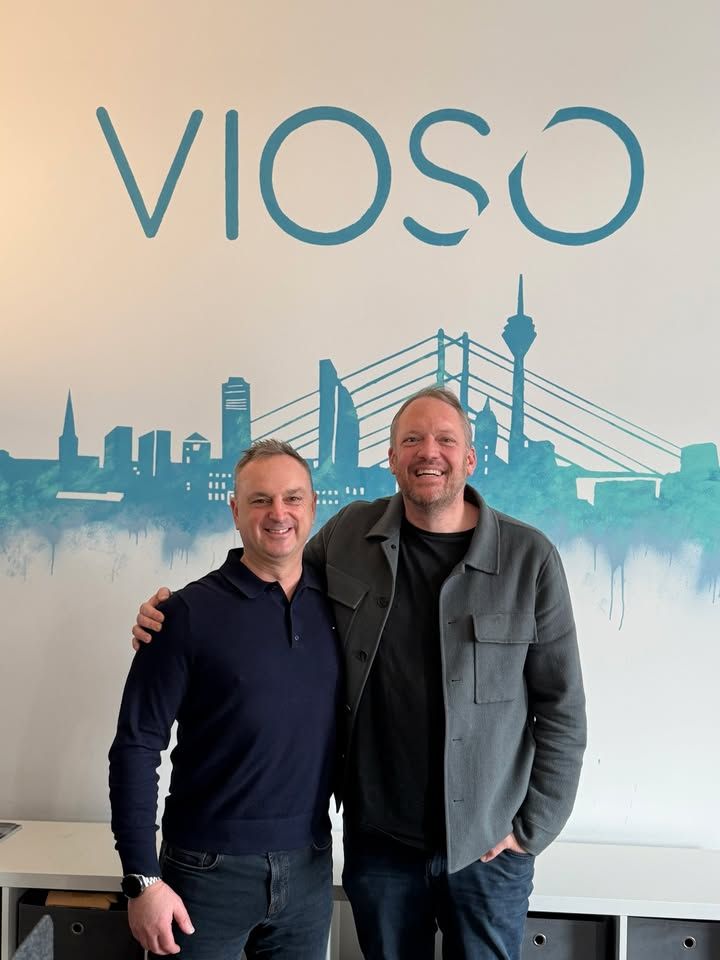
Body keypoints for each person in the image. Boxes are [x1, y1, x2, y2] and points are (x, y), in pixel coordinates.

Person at [133, 387, 587, 960]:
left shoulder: (530, 558)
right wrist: (175, 614)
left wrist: (531, 830)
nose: (429, 452)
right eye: (412, 440)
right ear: (391, 458)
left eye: (446, 440)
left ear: (471, 458)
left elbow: (562, 709)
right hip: (380, 845)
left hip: (487, 848)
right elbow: (274, 574)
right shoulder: (349, 534)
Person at [110, 440, 341, 959]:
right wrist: (141, 879)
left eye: (292, 498)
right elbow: (136, 746)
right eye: (260, 500)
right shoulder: (184, 615)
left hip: (310, 868)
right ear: (235, 511)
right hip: (204, 872)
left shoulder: (341, 607)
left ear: (312, 506)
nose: (278, 513)